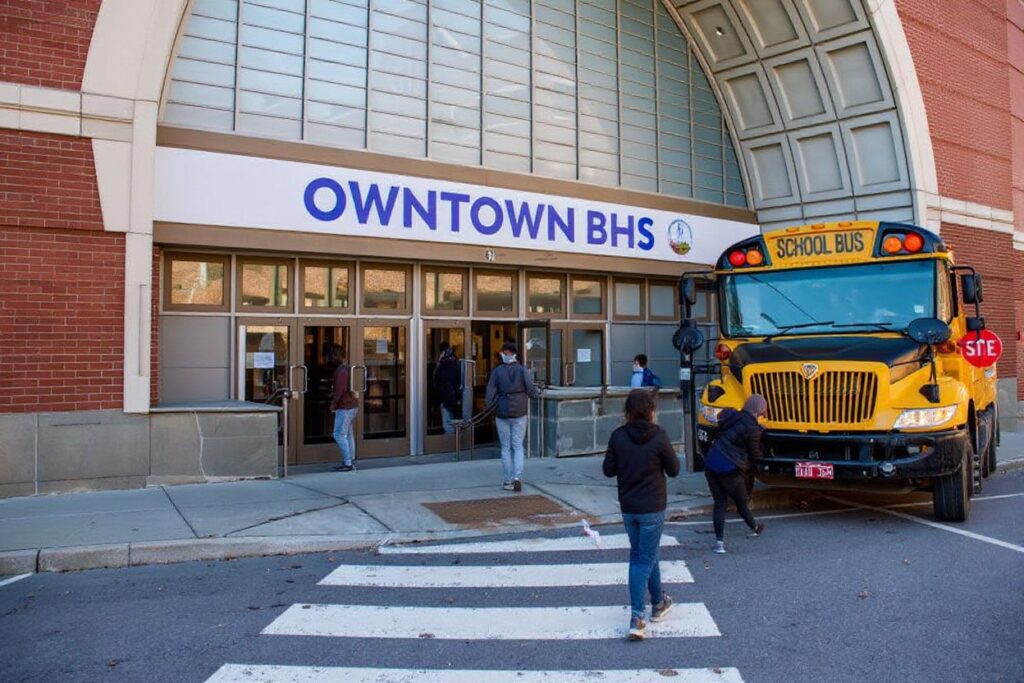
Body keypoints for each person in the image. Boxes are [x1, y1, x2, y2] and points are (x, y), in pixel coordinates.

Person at [602, 389, 681, 641]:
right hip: (653, 506)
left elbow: (607, 470)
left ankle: (659, 601)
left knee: (647, 553)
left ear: (627, 411)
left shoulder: (618, 436)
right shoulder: (659, 436)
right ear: (650, 410)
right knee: (641, 558)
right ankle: (637, 617)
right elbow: (675, 469)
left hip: (629, 507)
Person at [704, 395, 767, 553]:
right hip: (729, 468)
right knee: (741, 503)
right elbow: (755, 454)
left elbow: (717, 431)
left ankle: (719, 544)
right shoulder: (753, 428)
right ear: (759, 410)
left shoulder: (733, 416)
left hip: (711, 462)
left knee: (719, 503)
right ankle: (755, 527)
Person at [485, 342, 540, 492]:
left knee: (505, 448)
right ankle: (517, 477)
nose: (505, 355)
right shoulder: (523, 370)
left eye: (505, 352)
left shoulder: (497, 371)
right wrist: (536, 394)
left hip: (502, 412)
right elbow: (531, 390)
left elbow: (490, 392)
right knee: (517, 446)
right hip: (520, 412)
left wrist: (489, 405)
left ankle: (507, 481)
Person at [329, 345, 358, 472]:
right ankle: (350, 459)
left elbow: (340, 390)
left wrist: (333, 403)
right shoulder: (348, 369)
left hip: (345, 407)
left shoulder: (341, 371)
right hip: (352, 406)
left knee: (339, 434)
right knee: (348, 434)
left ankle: (348, 463)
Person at [432, 342, 462, 435]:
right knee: (452, 419)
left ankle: (451, 442)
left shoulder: (445, 363)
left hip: (447, 396)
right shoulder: (455, 362)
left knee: (447, 421)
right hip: (454, 396)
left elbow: (440, 381)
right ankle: (454, 439)